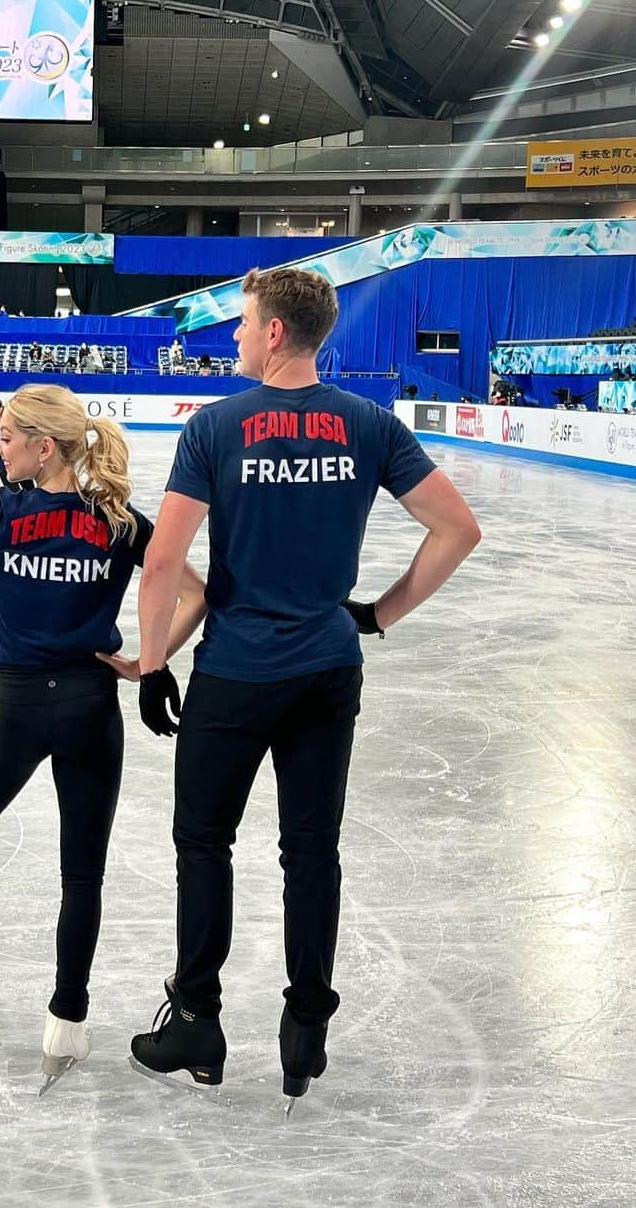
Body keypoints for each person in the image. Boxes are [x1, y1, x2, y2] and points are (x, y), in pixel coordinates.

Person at [128, 266, 481, 1107]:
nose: (238, 337)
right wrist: (376, 614)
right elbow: (456, 530)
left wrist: (150, 667)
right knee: (311, 852)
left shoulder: (215, 427)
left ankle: (199, 1023)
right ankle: (305, 1028)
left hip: (238, 672)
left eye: (245, 324)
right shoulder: (369, 425)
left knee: (204, 843)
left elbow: (164, 562)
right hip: (327, 670)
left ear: (277, 332)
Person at [0, 379, 207, 1090]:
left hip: (18, 713)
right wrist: (149, 662)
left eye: (8, 436)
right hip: (90, 709)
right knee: (80, 873)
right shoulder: (120, 521)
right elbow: (195, 594)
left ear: (41, 446)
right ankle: (68, 1020)